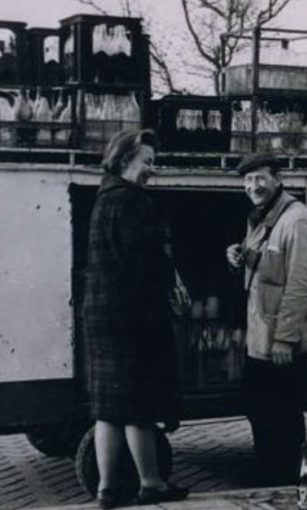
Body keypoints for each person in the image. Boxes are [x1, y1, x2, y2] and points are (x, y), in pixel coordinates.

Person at [82, 129, 189, 509]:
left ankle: (107, 489)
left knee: (108, 410)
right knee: (139, 404)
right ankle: (151, 483)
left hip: (101, 317)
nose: (152, 170)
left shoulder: (103, 198)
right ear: (126, 159)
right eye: (147, 162)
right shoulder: (134, 201)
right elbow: (143, 262)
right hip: (131, 318)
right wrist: (171, 289)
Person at [226, 153, 307, 486]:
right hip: (260, 338)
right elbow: (270, 269)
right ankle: (270, 476)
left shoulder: (296, 220)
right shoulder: (263, 218)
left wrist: (286, 338)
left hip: (280, 342)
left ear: (277, 179)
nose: (253, 186)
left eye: (260, 178)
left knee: (284, 416)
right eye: (247, 180)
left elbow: (301, 283)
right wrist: (240, 256)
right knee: (260, 411)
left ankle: (288, 482)